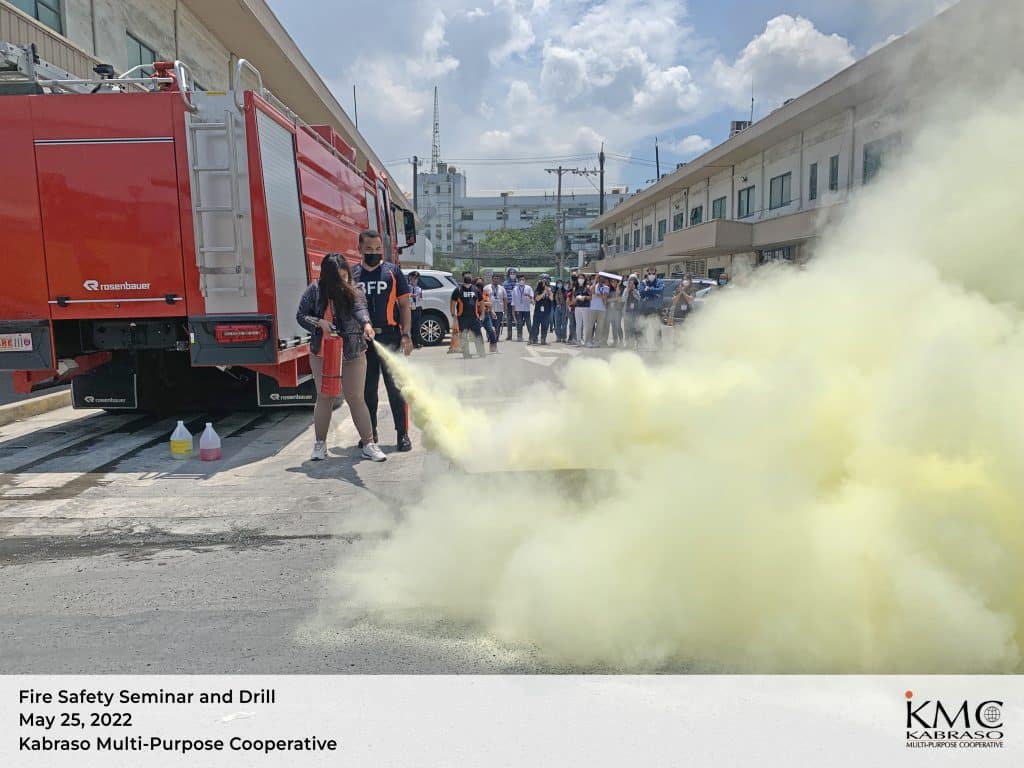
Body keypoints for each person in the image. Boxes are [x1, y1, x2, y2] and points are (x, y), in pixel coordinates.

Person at [296, 254, 386, 462]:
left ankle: (369, 444)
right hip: (323, 354)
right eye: (339, 278)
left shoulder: (354, 291)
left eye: (346, 276)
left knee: (356, 398)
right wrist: (319, 322)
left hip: (352, 352)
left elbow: (360, 309)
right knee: (325, 396)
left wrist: (366, 325)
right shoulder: (315, 290)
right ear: (327, 277)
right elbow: (301, 316)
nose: (343, 282)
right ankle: (320, 445)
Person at [351, 230, 414, 452]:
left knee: (396, 388)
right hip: (362, 341)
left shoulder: (393, 272)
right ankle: (371, 433)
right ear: (359, 249)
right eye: (369, 249)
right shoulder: (353, 274)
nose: (374, 253)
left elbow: (405, 306)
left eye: (378, 249)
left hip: (390, 337)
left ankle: (402, 434)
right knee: (367, 391)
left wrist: (406, 334)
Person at [451, 271, 486, 359]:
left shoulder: (476, 289)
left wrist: (482, 314)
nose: (468, 277)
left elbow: (481, 302)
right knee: (463, 336)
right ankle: (466, 354)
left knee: (478, 335)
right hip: (462, 317)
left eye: (469, 275)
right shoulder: (458, 290)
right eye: (466, 276)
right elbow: (453, 302)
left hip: (474, 317)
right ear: (463, 278)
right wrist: (453, 314)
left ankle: (481, 352)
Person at [483, 273, 506, 352]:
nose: (496, 280)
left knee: (497, 326)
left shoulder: (502, 288)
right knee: (490, 326)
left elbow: (505, 299)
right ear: (492, 279)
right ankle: (490, 338)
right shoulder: (486, 288)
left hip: (499, 310)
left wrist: (505, 310)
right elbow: (483, 299)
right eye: (495, 278)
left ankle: (496, 339)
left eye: (497, 278)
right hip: (489, 310)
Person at [529, 279, 553, 345]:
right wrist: (544, 293)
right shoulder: (537, 291)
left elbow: (551, 299)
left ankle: (543, 339)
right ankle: (534, 339)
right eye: (543, 284)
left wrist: (549, 292)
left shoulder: (549, 291)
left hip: (546, 312)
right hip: (538, 312)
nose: (545, 285)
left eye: (546, 284)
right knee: (535, 326)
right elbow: (537, 299)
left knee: (545, 326)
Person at [588, 276, 610, 347]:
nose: (601, 280)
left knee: (600, 326)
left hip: (602, 309)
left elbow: (605, 297)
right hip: (593, 308)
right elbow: (592, 291)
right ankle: (589, 341)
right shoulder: (594, 286)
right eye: (599, 278)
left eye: (602, 278)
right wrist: (595, 281)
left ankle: (596, 341)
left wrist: (596, 294)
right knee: (590, 325)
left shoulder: (606, 287)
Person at [512, 273, 534, 341]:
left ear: (525, 280)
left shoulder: (528, 288)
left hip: (526, 309)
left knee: (528, 323)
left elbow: (532, 297)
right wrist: (513, 311)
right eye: (520, 280)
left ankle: (531, 336)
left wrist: (529, 296)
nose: (522, 281)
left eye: (523, 279)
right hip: (518, 309)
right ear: (518, 281)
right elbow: (513, 301)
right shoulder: (515, 289)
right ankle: (519, 336)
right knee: (519, 323)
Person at [571, 273, 591, 346]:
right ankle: (579, 340)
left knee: (586, 324)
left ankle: (587, 341)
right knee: (578, 325)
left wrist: (584, 297)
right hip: (577, 307)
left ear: (585, 279)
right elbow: (573, 300)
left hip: (586, 307)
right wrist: (576, 298)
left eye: (582, 278)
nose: (580, 279)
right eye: (579, 278)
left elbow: (591, 297)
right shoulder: (575, 288)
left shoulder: (587, 287)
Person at [623, 276, 642, 350]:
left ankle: (638, 343)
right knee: (629, 328)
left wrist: (634, 290)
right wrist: (628, 290)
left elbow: (639, 298)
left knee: (636, 327)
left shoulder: (637, 290)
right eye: (629, 282)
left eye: (632, 283)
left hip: (636, 311)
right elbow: (623, 299)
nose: (630, 284)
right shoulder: (626, 290)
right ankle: (630, 343)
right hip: (628, 312)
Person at [607, 276, 625, 347]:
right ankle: (615, 341)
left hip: (618, 310)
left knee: (618, 326)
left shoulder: (622, 289)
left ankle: (621, 341)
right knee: (613, 326)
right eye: (611, 282)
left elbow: (620, 298)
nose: (612, 283)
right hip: (611, 311)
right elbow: (607, 300)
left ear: (617, 282)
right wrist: (615, 299)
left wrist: (618, 286)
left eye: (614, 281)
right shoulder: (609, 290)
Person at [408, 271, 424, 348]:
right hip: (409, 308)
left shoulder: (419, 289)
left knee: (416, 326)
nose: (413, 280)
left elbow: (420, 299)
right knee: (408, 326)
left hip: (417, 308)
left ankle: (416, 342)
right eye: (412, 278)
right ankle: (409, 342)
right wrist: (410, 295)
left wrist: (419, 298)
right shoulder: (407, 287)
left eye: (415, 279)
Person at [502, 267, 519, 340]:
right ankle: (509, 335)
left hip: (517, 304)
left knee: (518, 319)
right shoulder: (505, 283)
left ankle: (519, 335)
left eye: (514, 273)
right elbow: (503, 294)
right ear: (508, 274)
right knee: (509, 320)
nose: (512, 274)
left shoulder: (518, 283)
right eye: (511, 273)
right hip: (509, 303)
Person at [566, 270, 580, 343]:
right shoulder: (570, 286)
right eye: (573, 277)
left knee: (578, 324)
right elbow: (568, 295)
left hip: (578, 307)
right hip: (571, 307)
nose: (574, 278)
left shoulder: (579, 285)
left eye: (575, 276)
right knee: (571, 324)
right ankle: (571, 338)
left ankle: (576, 338)